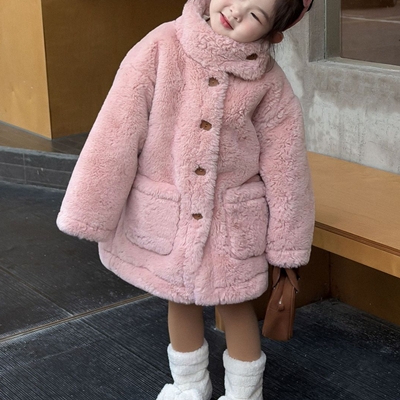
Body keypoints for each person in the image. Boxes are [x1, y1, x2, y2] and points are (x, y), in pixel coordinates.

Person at [57, 0, 315, 398]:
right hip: (171, 217)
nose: (237, 11)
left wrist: (288, 242)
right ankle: (188, 387)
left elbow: (286, 163)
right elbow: (118, 128)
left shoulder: (269, 81)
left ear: (272, 33)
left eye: (256, 15)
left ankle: (245, 393)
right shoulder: (162, 45)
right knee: (178, 299)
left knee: (235, 304)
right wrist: (91, 208)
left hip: (231, 222)